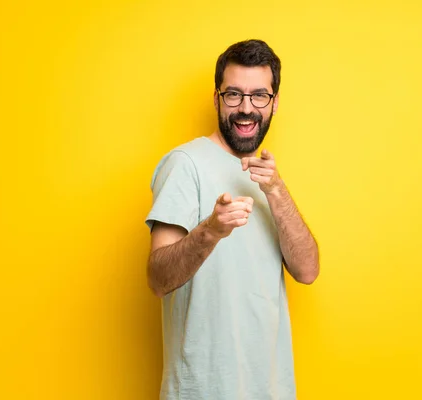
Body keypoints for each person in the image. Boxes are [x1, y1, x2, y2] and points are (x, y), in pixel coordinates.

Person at [145, 39, 320, 400]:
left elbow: (307, 271)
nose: (246, 108)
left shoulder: (268, 180)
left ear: (274, 103)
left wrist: (277, 191)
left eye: (259, 96)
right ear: (216, 99)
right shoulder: (185, 164)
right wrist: (211, 230)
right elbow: (157, 278)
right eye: (234, 95)